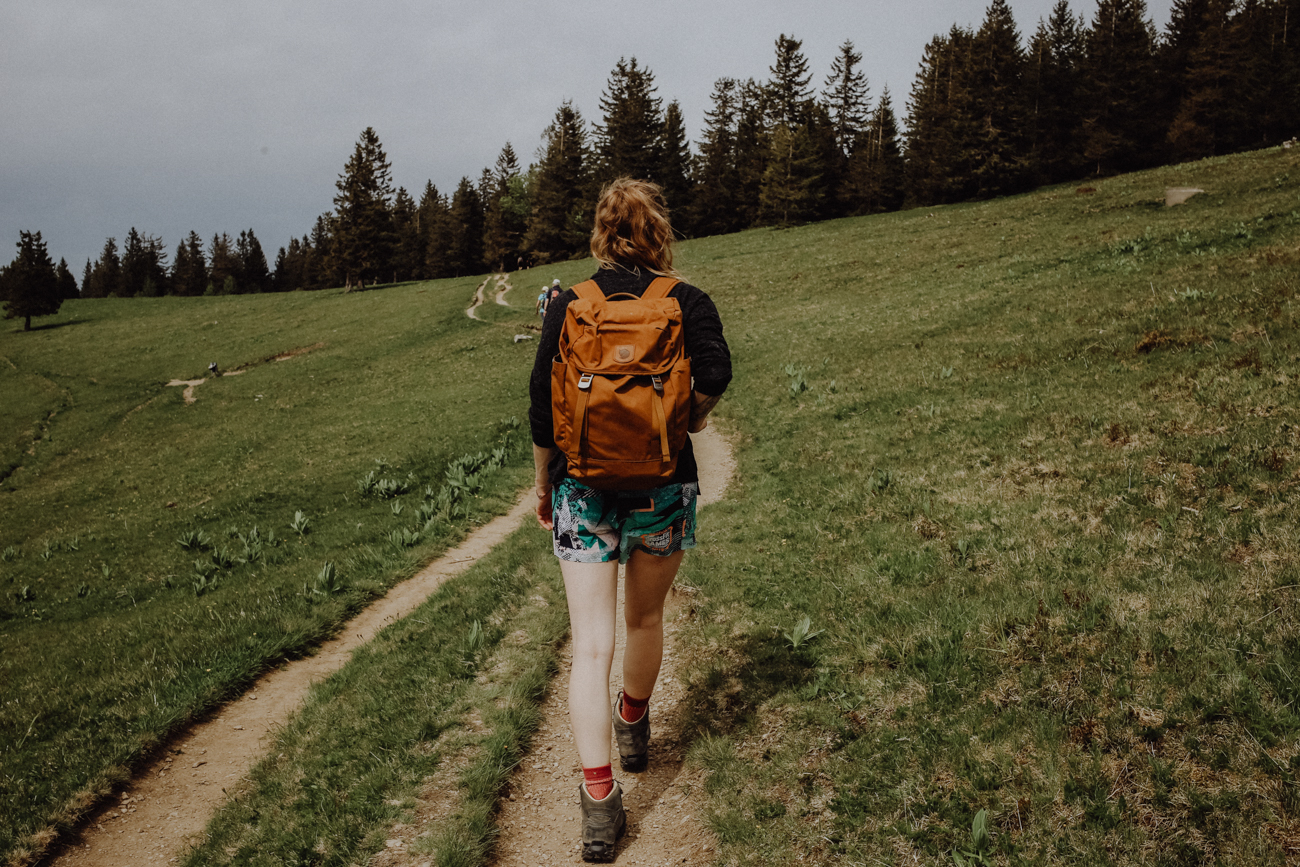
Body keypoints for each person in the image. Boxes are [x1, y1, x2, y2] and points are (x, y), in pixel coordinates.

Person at [528, 178, 731, 862]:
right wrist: (683, 424)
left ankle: (598, 804)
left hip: (581, 491)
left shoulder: (569, 304)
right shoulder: (687, 301)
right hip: (664, 486)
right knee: (645, 619)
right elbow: (715, 371)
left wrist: (541, 483)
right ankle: (635, 720)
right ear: (658, 233)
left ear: (600, 235)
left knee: (590, 645)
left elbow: (538, 405)